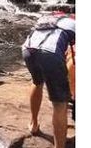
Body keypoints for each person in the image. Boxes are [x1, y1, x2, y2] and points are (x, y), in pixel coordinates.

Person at [23, 10, 75, 145]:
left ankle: (33, 124)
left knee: (37, 82)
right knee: (60, 103)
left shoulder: (49, 18)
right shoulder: (75, 24)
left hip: (28, 49)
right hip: (49, 52)